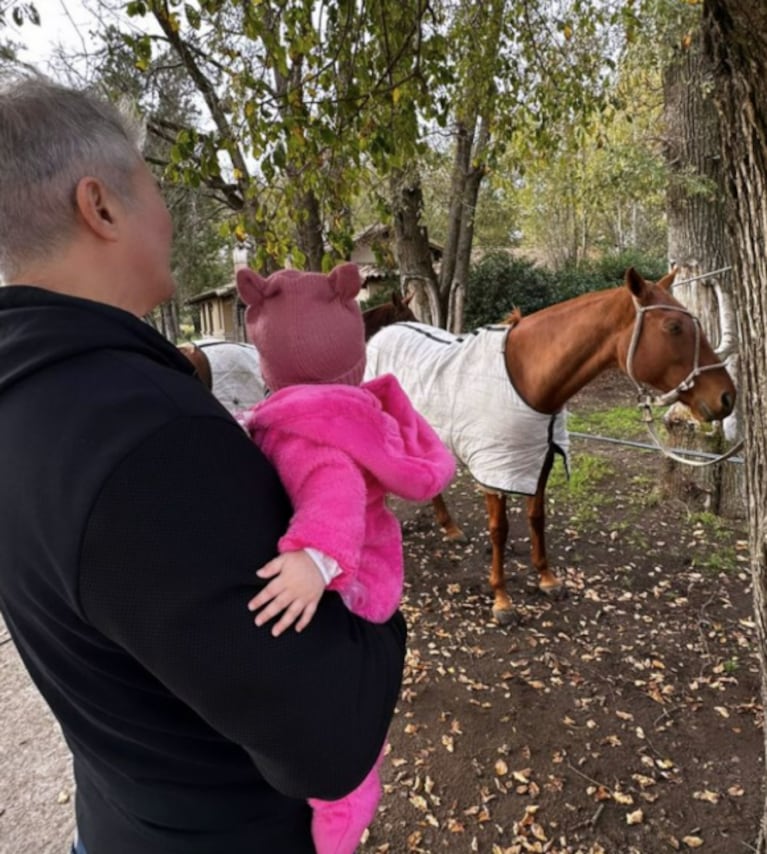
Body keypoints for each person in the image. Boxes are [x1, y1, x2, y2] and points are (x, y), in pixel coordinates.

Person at [0, 76, 406, 854]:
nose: (169, 220)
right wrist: (376, 581)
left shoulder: (23, 400)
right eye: (153, 190)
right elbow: (331, 730)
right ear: (102, 206)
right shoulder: (149, 438)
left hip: (120, 824)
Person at [235, 262, 455, 854]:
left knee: (340, 726)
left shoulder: (312, 431)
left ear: (269, 367)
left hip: (355, 578)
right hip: (362, 566)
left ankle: (343, 812)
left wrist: (315, 558)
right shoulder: (321, 415)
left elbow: (335, 492)